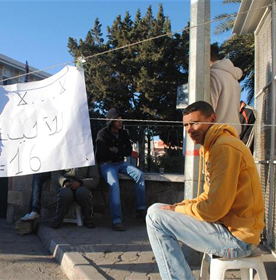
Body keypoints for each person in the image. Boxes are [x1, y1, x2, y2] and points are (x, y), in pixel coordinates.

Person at [146, 101, 264, 280]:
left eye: (195, 122)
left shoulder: (224, 148)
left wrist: (178, 210)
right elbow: (207, 197)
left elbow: (213, 209)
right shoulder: (211, 147)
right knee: (156, 209)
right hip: (226, 228)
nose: (189, 129)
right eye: (186, 124)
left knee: (156, 219)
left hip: (239, 239)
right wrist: (179, 205)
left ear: (212, 119)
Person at [95, 108, 146, 231]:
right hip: (106, 164)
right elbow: (102, 153)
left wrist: (114, 150)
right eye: (117, 120)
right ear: (111, 121)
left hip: (120, 163)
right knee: (114, 184)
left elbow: (128, 151)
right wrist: (117, 151)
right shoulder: (102, 134)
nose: (120, 122)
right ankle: (116, 220)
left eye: (121, 119)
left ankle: (141, 210)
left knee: (139, 174)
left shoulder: (123, 133)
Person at [210, 43, 242, 135]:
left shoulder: (212, 76)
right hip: (233, 134)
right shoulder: (233, 79)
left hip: (217, 135)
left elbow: (207, 111)